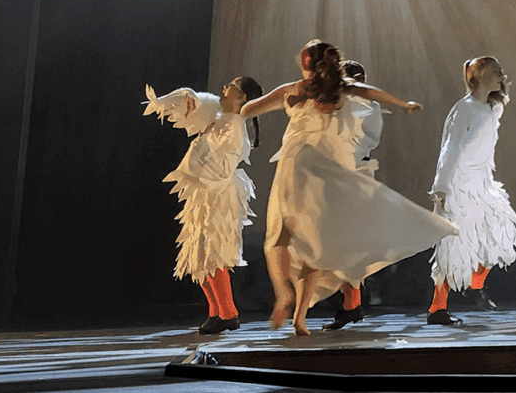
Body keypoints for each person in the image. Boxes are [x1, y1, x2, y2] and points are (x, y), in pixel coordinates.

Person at [241, 39, 457, 336]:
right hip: (323, 172)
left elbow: (250, 109)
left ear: (304, 64)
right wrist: (402, 104)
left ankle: (284, 296)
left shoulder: (295, 90)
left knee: (280, 237)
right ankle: (299, 316)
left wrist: (240, 108)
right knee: (317, 247)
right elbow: (369, 92)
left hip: (296, 166)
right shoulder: (337, 90)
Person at [142, 76, 264, 334]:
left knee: (213, 253)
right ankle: (216, 312)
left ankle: (228, 312)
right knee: (199, 254)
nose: (224, 88)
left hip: (217, 195)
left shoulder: (233, 129)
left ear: (241, 97)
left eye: (231, 86)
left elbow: (218, 166)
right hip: (204, 194)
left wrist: (202, 150)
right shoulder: (219, 116)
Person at [427, 57, 516, 326]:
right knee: (453, 246)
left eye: (500, 71)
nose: (500, 75)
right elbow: (450, 148)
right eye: (493, 71)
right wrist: (442, 188)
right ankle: (437, 308)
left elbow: (501, 103)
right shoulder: (464, 109)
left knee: (500, 233)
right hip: (459, 185)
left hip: (483, 183)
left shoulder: (490, 108)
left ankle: (474, 284)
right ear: (477, 76)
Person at [322, 59, 386, 331]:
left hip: (354, 177)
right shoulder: (334, 109)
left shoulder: (369, 109)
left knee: (350, 242)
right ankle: (350, 304)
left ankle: (351, 305)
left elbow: (365, 141)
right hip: (335, 178)